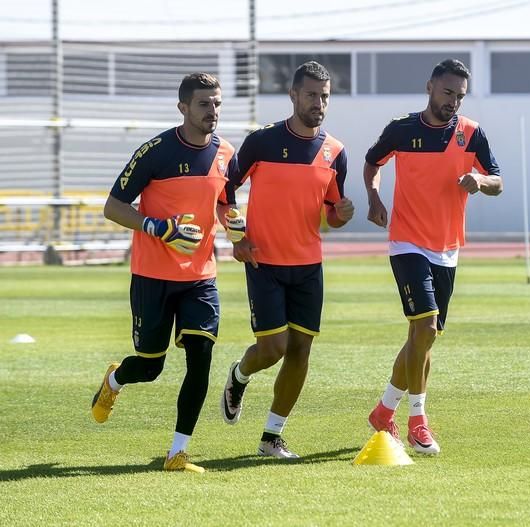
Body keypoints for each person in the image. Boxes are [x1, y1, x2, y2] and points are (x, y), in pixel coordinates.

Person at [92, 72, 239, 473]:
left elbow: (227, 202)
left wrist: (234, 223)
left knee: (202, 355)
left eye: (217, 103)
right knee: (150, 366)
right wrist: (161, 228)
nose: (213, 111)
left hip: (200, 277)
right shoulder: (154, 151)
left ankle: (178, 452)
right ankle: (115, 380)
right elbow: (113, 206)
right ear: (183, 108)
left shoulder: (226, 153)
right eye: (204, 104)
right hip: (152, 276)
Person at [364, 59, 503, 455]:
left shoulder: (471, 133)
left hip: (447, 249)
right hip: (407, 242)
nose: (453, 102)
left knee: (423, 338)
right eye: (447, 93)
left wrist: (480, 181)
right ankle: (418, 421)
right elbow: (373, 161)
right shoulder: (402, 129)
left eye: (460, 96)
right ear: (429, 87)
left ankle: (383, 411)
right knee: (424, 328)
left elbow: (498, 180)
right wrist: (374, 197)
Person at [220, 61, 354, 459]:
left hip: (309, 265)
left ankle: (271, 437)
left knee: (300, 351)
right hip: (264, 262)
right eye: (311, 95)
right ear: (294, 95)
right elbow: (225, 192)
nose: (319, 103)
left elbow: (331, 212)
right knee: (273, 347)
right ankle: (239, 375)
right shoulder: (261, 141)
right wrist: (237, 237)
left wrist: (340, 216)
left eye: (325, 96)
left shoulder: (336, 152)